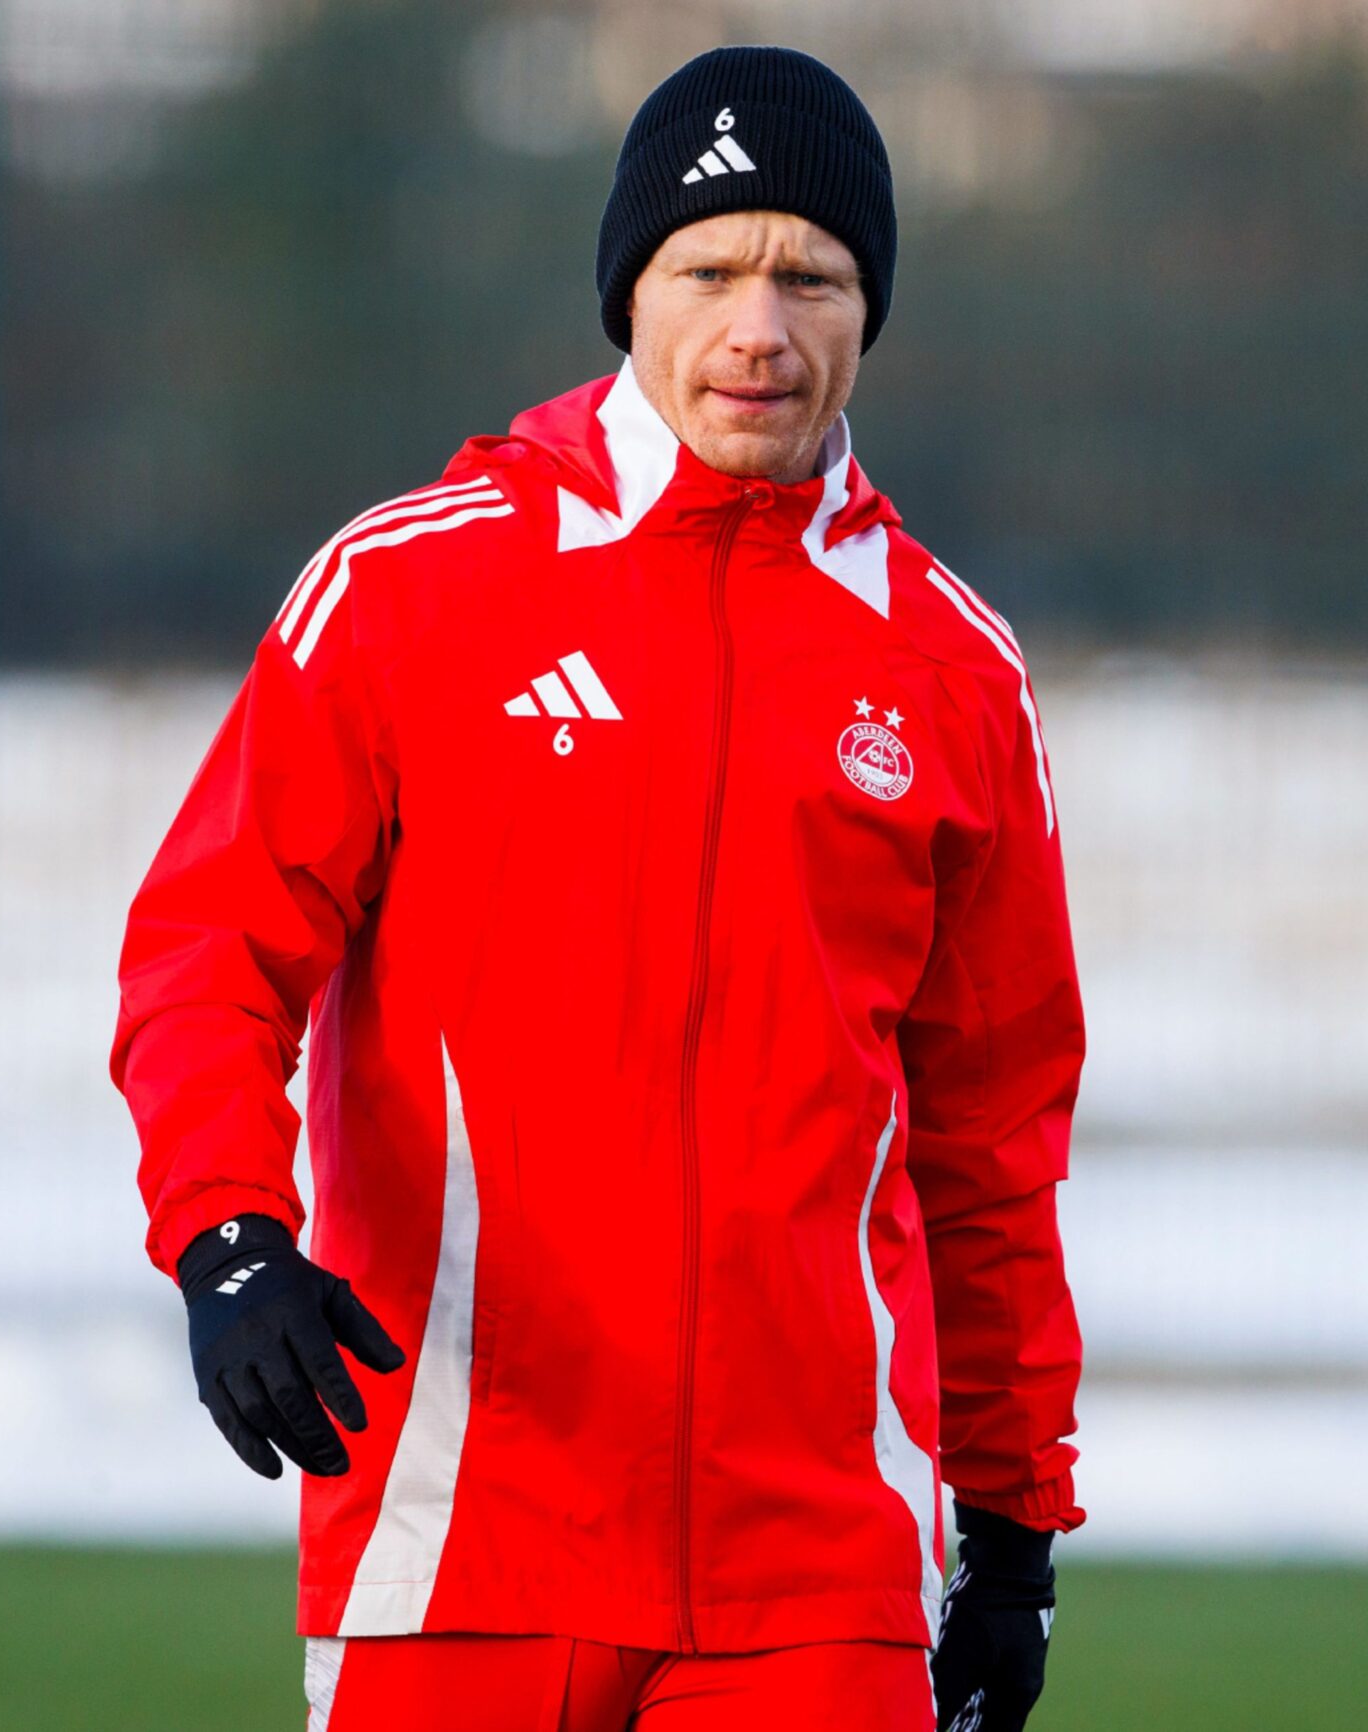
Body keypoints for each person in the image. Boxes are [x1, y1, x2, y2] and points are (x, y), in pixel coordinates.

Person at [113, 44, 1084, 1732]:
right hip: (459, 1542)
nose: (759, 328)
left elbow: (993, 1139)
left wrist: (1010, 1531)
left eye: (813, 276)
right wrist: (228, 1243)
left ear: (871, 312)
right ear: (630, 292)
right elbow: (209, 952)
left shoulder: (951, 674)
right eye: (708, 269)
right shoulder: (412, 588)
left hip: (816, 1582)